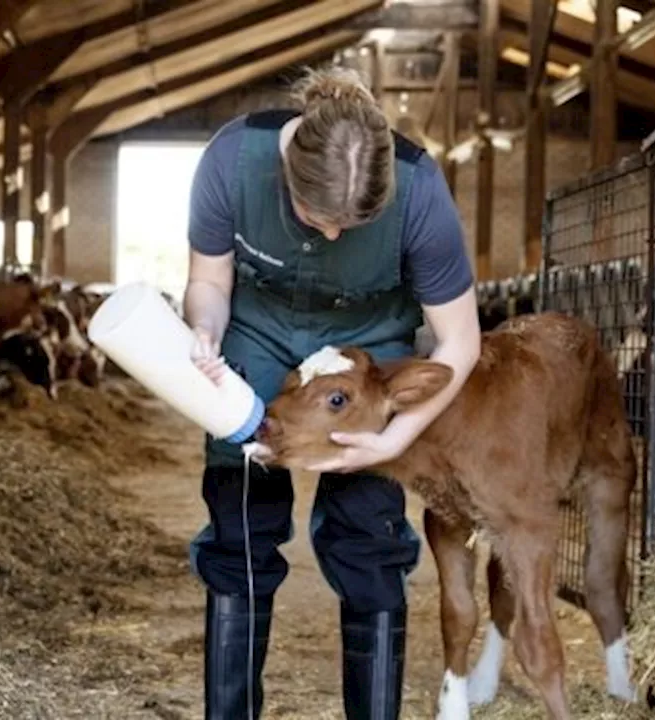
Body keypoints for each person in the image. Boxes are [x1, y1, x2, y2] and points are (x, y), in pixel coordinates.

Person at [183, 65, 482, 719]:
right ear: (289, 171)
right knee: (240, 524)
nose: (332, 235)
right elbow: (208, 281)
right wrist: (203, 333)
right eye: (317, 216)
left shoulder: (422, 191)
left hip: (367, 353)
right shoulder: (233, 161)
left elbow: (459, 341)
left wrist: (394, 437)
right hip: (256, 342)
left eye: (354, 222)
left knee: (370, 538)